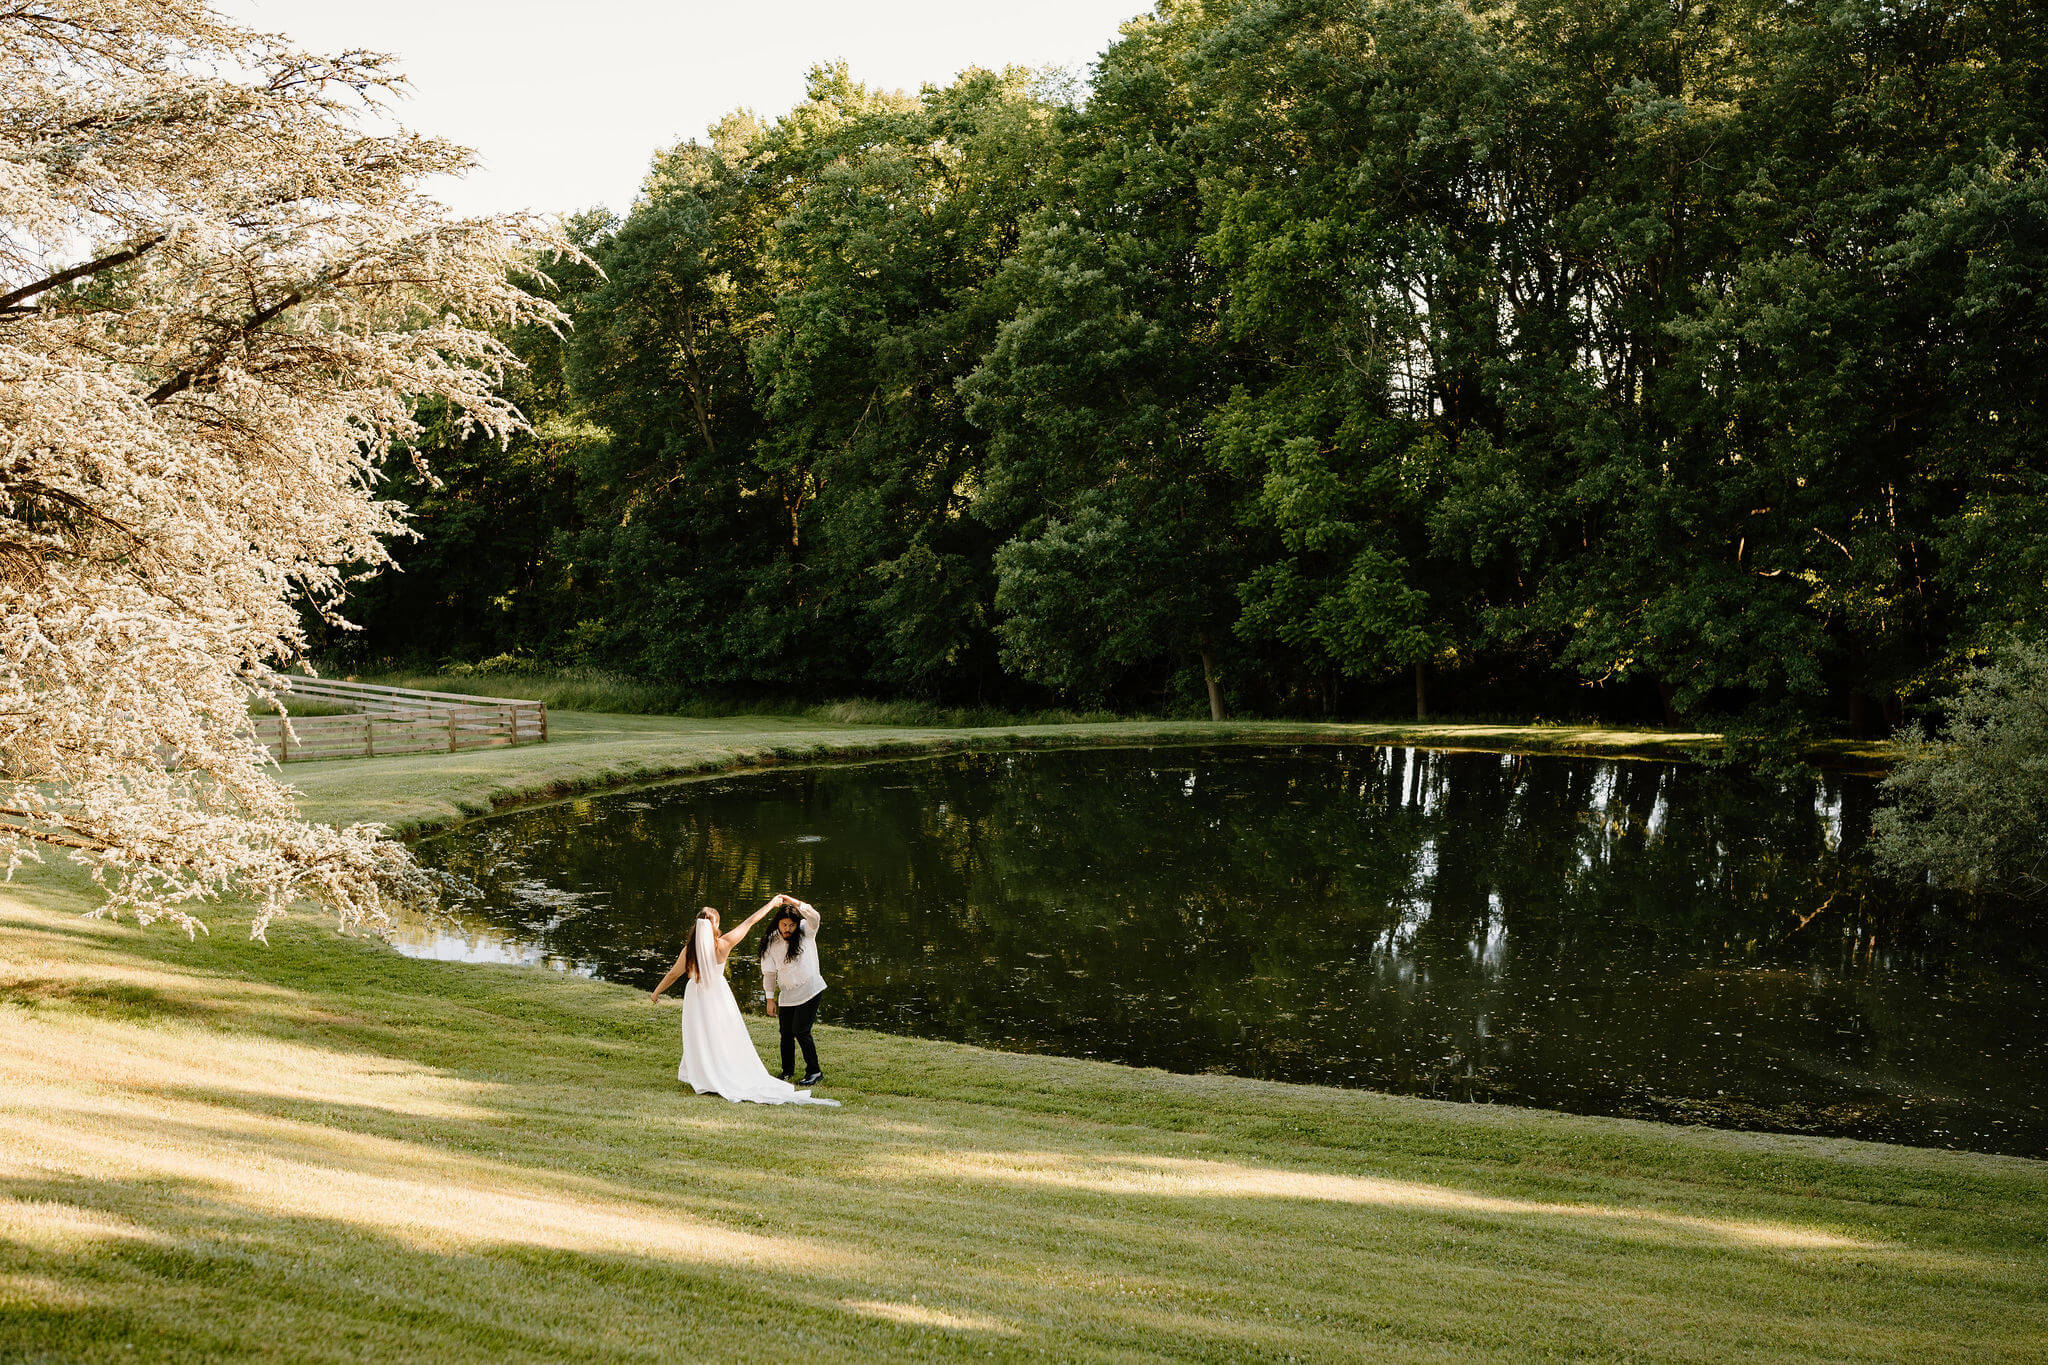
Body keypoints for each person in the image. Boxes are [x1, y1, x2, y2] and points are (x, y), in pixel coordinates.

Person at [647, 896, 837, 1107]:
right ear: (715, 925)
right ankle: (725, 1070)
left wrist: (656, 992)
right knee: (723, 1034)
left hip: (696, 996)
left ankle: (703, 1074)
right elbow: (750, 921)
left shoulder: (688, 951)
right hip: (718, 994)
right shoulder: (724, 944)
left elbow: (673, 974)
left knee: (700, 1034)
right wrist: (770, 904)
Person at [758, 895, 826, 1085]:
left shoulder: (806, 931)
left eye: (791, 925)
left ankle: (814, 1072)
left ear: (797, 925)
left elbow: (815, 917)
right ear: (778, 923)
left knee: (801, 1030)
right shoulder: (771, 942)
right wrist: (769, 999)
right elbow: (769, 973)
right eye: (784, 925)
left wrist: (794, 902)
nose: (787, 929)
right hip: (788, 993)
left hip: (811, 988)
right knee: (786, 1032)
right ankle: (787, 1072)